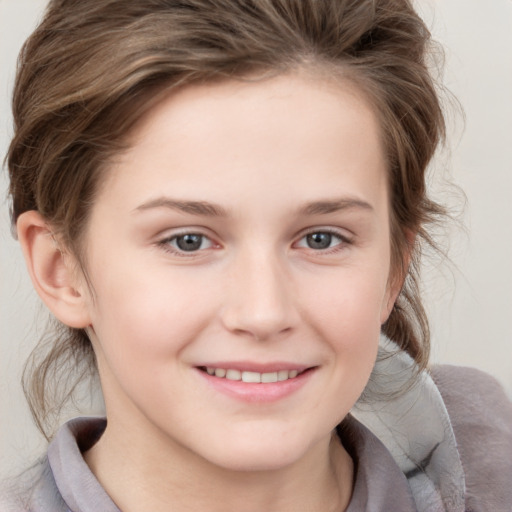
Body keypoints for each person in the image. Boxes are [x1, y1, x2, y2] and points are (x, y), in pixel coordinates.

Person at [3, 0, 512, 510]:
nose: (264, 313)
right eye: (188, 240)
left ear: (393, 268)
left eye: (321, 238)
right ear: (61, 270)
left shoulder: (493, 474)